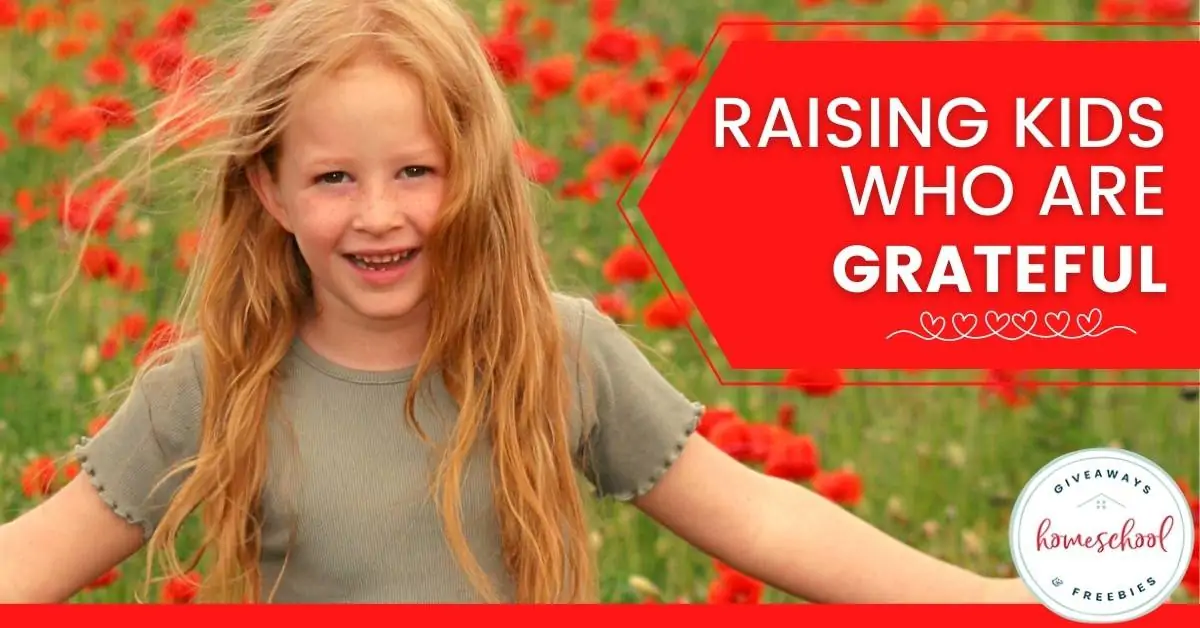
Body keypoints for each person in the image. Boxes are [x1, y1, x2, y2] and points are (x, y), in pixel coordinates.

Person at [0, 0, 1037, 605]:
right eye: (332, 180)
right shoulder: (214, 385)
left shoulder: (558, 352)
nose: (377, 215)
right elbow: (36, 555)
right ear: (268, 189)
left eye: (416, 171)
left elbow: (760, 515)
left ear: (479, 175)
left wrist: (996, 602)